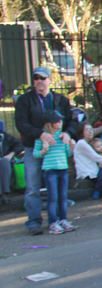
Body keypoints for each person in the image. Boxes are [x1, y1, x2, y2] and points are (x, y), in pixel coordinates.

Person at [14, 66, 77, 234]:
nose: (39, 81)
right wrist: (40, 134)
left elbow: (73, 120)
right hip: (33, 147)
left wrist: (68, 133)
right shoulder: (25, 100)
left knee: (58, 187)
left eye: (42, 78)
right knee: (33, 186)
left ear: (50, 79)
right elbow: (20, 123)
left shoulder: (60, 100)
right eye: (36, 78)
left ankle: (58, 219)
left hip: (56, 151)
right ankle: (34, 221)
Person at [33, 110, 74, 234]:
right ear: (49, 124)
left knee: (63, 196)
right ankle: (53, 222)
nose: (60, 123)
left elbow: (67, 153)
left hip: (63, 169)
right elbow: (35, 154)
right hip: (50, 170)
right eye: (57, 121)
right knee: (53, 197)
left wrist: (72, 147)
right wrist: (44, 150)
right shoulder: (42, 138)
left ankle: (63, 219)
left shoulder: (62, 136)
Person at [1, 122, 24, 204]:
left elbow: (20, 145)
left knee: (4, 162)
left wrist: (10, 155)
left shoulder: (6, 138)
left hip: (4, 163)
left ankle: (3, 193)